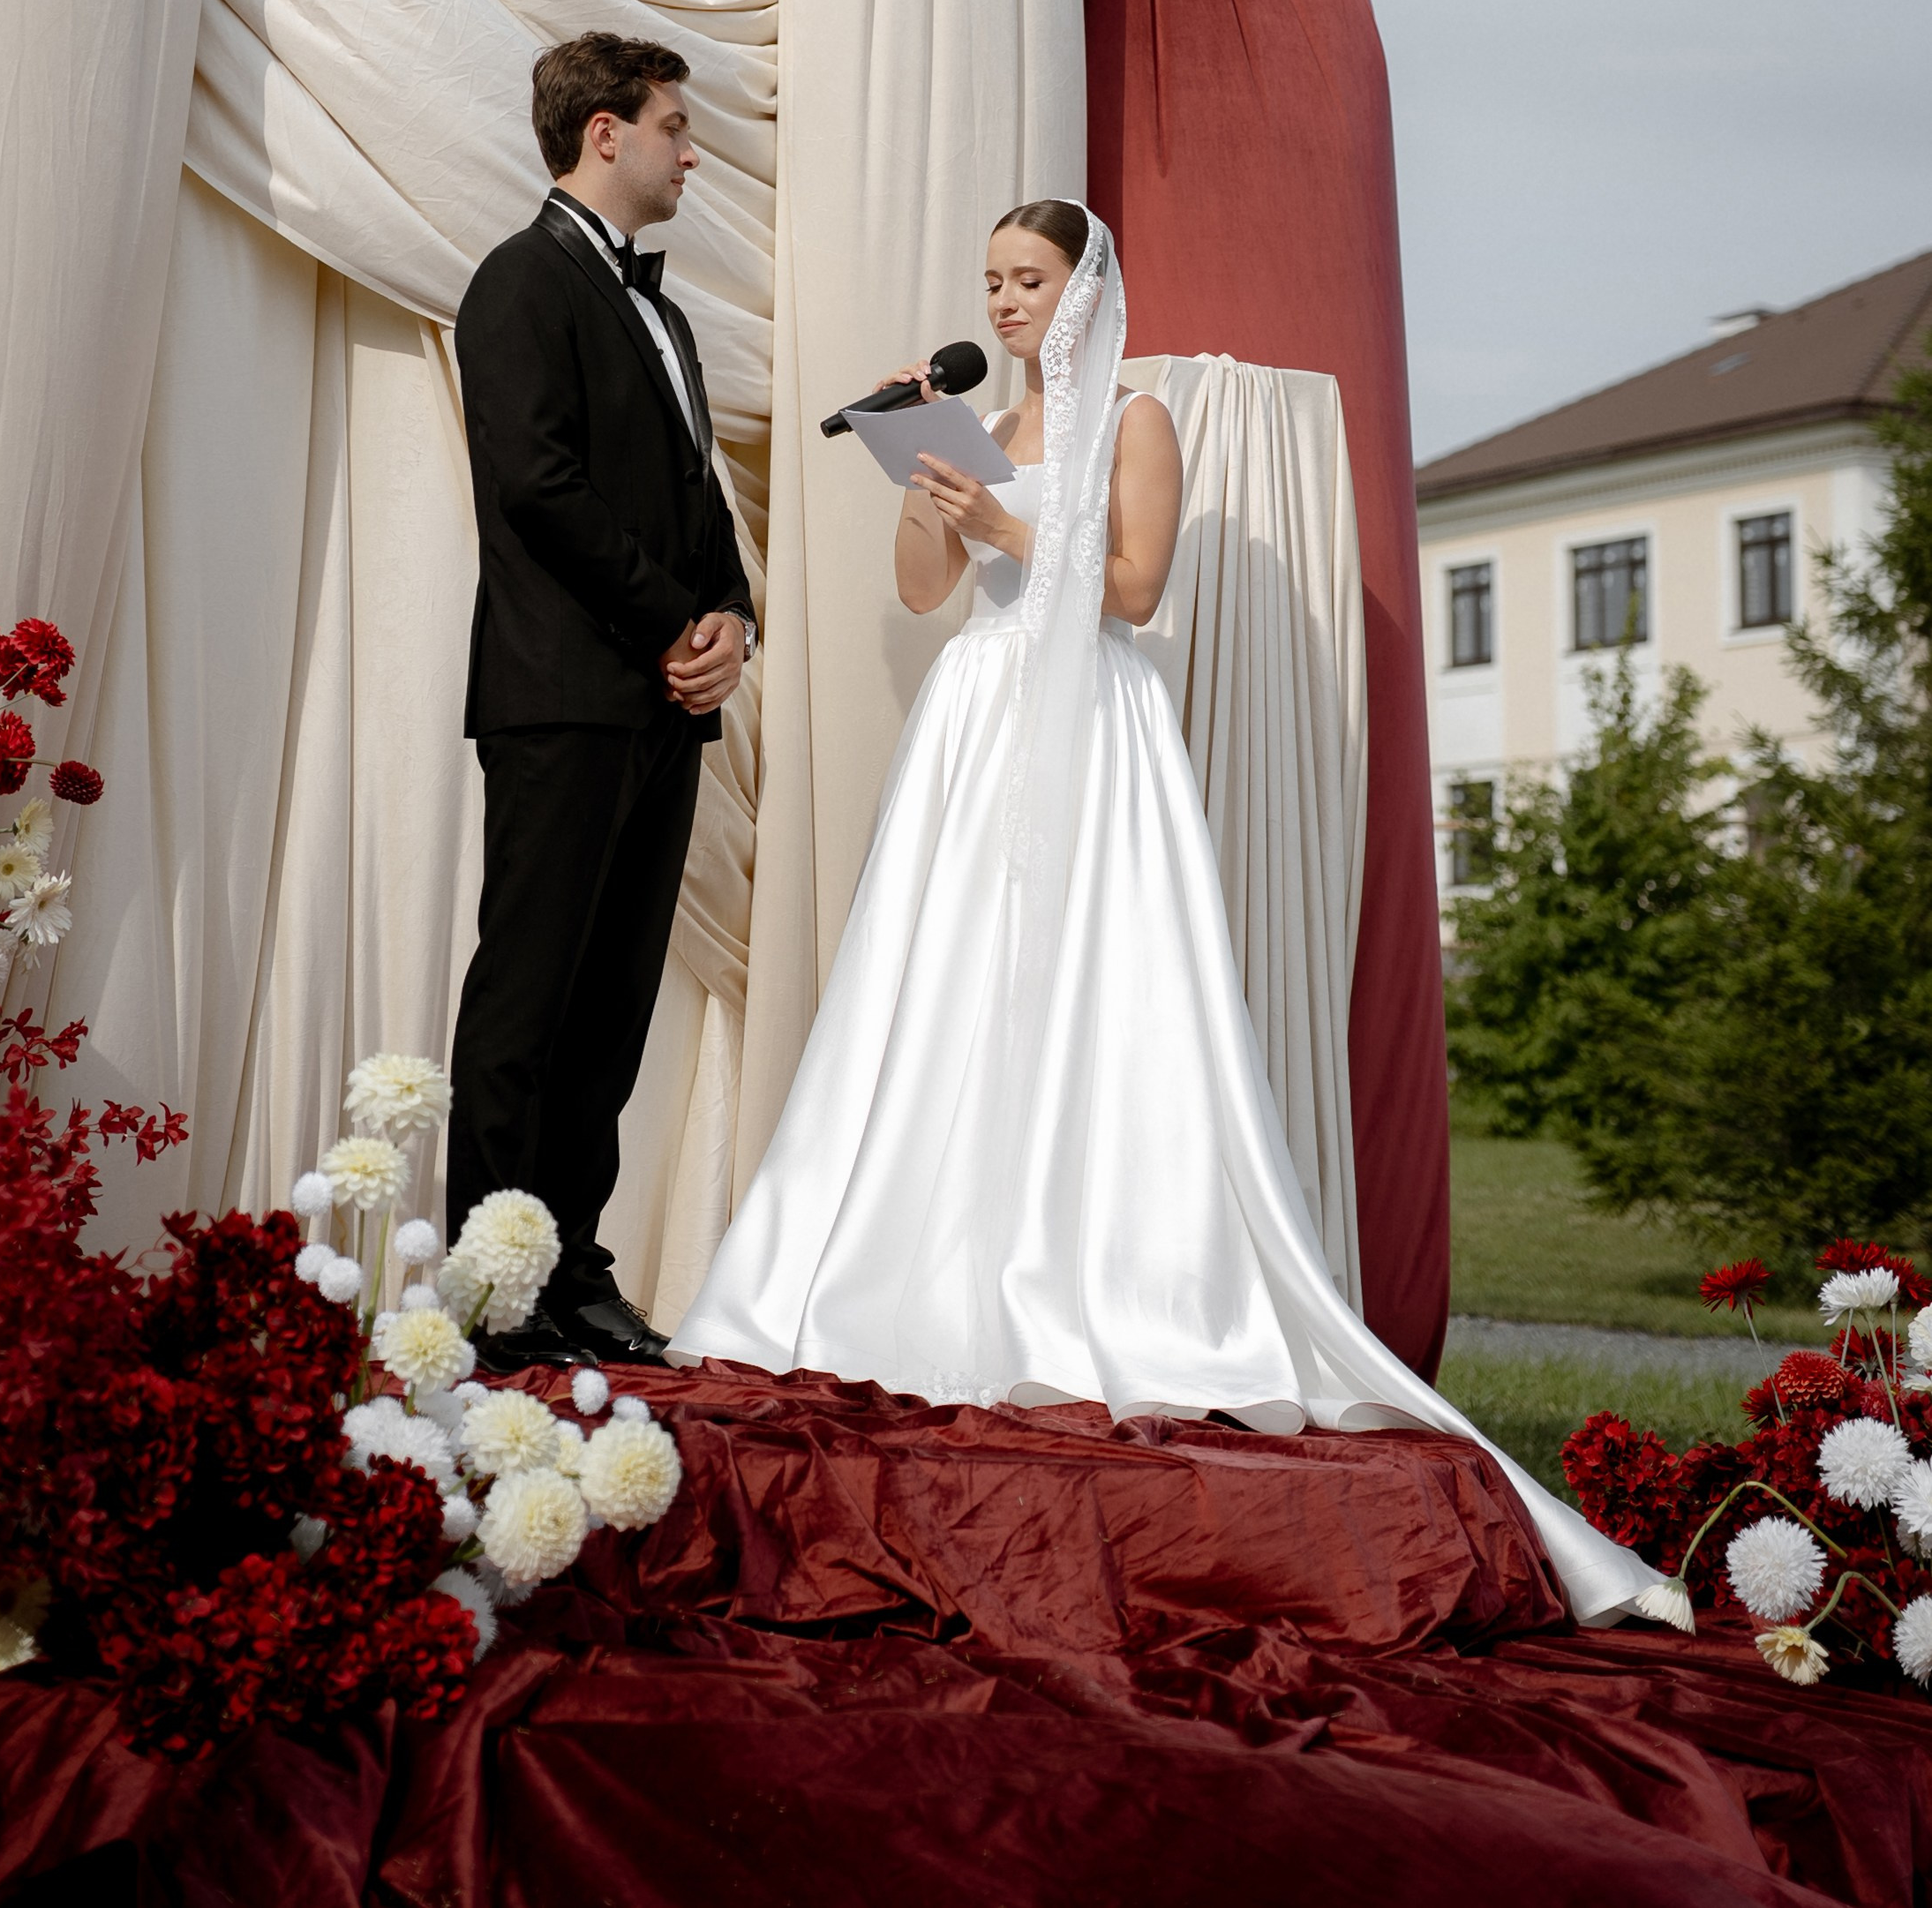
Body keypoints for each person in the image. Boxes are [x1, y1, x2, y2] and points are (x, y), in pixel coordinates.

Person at [673, 201, 1648, 1623]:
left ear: (1083, 289)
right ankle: (923, 1267)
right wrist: (921, 479)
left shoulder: (1135, 421)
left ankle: (1109, 1278)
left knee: (1097, 983)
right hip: (979, 712)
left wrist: (1003, 519)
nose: (1004, 301)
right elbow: (924, 592)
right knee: (945, 990)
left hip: (1092, 718)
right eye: (991, 281)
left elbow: (1130, 590)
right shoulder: (976, 422)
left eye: (1027, 279)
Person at [449, 32, 756, 1370]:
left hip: (661, 706)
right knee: (528, 1004)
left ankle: (574, 1271)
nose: (692, 152)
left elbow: (697, 498)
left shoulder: (666, 317)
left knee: (614, 1011)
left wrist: (730, 616)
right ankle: (491, 1291)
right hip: (562, 696)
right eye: (676, 126)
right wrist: (669, 620)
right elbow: (537, 485)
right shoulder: (518, 281)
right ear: (605, 132)